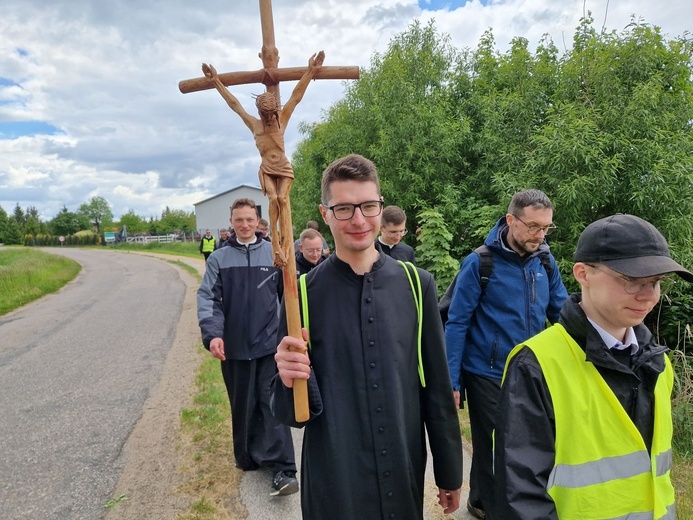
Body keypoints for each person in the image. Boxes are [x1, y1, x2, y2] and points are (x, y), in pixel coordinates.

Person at [270, 154, 463, 520]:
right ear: (325, 214)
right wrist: (286, 377)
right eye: (343, 209)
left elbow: (437, 386)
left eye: (368, 206)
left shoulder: (416, 284)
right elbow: (288, 415)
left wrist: (450, 472)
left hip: (403, 467)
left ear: (380, 205)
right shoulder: (301, 295)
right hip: (335, 481)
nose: (359, 220)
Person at [494, 214, 691, 519]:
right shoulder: (536, 364)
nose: (648, 295)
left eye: (655, 282)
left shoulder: (658, 364)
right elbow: (521, 497)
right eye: (630, 280)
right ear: (582, 274)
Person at [445, 189, 568, 519]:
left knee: (528, 443)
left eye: (546, 228)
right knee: (491, 446)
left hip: (532, 371)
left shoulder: (544, 261)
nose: (540, 235)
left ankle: (494, 500)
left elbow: (561, 311)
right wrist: (451, 380)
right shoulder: (480, 263)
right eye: (533, 227)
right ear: (511, 220)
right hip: (487, 371)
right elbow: (457, 323)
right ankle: (491, 507)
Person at [197, 198, 298, 496]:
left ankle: (284, 469)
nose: (244, 224)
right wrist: (213, 334)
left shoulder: (274, 253)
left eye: (249, 219)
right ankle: (249, 457)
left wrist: (291, 335)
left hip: (270, 346)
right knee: (243, 405)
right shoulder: (218, 259)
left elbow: (289, 297)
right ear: (231, 222)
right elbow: (208, 300)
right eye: (238, 220)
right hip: (234, 348)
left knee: (273, 403)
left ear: (258, 221)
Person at [203, 51, 325, 268]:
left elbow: (296, 95)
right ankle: (276, 245)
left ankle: (287, 242)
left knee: (283, 199)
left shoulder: (281, 120)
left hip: (283, 167)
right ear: (259, 112)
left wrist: (311, 71)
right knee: (273, 200)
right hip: (267, 167)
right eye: (265, 115)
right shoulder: (254, 124)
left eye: (272, 115)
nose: (269, 119)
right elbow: (234, 104)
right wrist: (216, 82)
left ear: (275, 112)